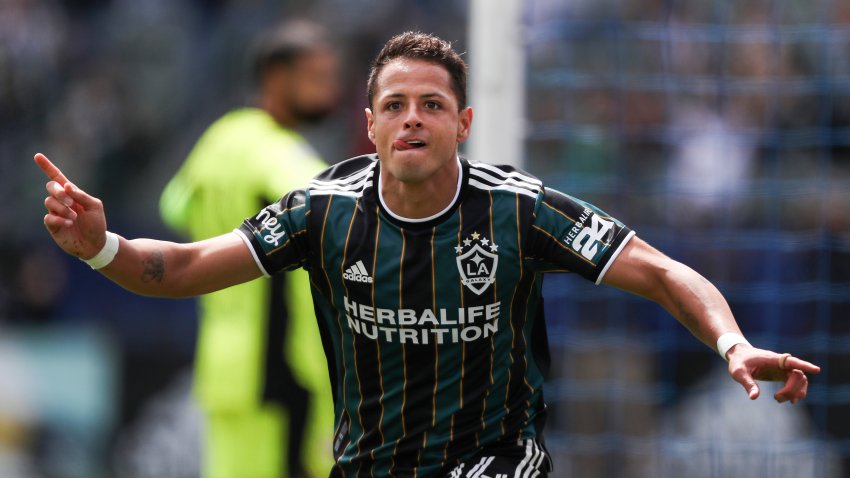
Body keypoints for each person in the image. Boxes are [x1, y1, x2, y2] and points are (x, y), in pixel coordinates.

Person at [35, 32, 820, 477]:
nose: (413, 119)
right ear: (370, 126)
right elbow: (174, 268)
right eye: (395, 106)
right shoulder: (323, 210)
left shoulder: (518, 209)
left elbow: (661, 270)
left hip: (496, 464)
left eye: (433, 105)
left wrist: (732, 341)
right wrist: (101, 245)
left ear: (464, 122)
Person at [157, 21, 338, 478]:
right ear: (277, 77)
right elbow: (324, 200)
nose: (329, 91)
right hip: (280, 369)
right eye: (316, 77)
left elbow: (173, 205)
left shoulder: (221, 139)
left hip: (224, 365)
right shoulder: (275, 152)